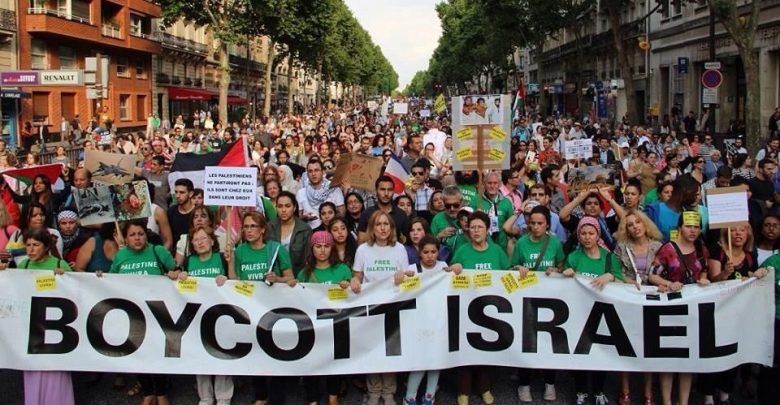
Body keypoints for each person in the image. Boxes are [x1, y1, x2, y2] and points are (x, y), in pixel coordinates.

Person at [102, 220, 176, 405]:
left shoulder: (158, 251)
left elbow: (175, 270)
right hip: (132, 315)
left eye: (141, 234)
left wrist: (175, 273)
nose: (137, 238)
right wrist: (99, 278)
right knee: (136, 353)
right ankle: (148, 391)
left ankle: (161, 393)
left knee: (157, 353)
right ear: (125, 239)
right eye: (132, 235)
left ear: (146, 235)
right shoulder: (121, 256)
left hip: (157, 313)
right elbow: (111, 280)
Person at [0, 228, 75, 405]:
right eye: (28, 245)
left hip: (55, 329)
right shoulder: (23, 266)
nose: (31, 249)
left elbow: (76, 292)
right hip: (32, 330)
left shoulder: (59, 264)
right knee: (33, 370)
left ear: (46, 246)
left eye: (36, 245)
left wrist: (66, 277)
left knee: (56, 371)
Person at [648, 211, 711, 405]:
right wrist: (668, 283)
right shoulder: (668, 249)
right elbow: (652, 275)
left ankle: (684, 401)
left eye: (696, 227)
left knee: (687, 360)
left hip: (693, 310)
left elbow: (704, 271)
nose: (692, 231)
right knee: (669, 358)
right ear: (680, 228)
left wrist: (703, 280)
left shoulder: (702, 250)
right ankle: (667, 401)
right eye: (688, 226)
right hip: (671, 309)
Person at [447, 211, 510, 405]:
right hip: (467, 310)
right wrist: (453, 270)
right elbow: (449, 277)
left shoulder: (497, 251)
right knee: (466, 351)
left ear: (487, 229)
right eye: (472, 227)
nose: (476, 231)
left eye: (480, 227)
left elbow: (508, 274)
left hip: (491, 311)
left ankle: (485, 388)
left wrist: (518, 271)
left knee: (486, 350)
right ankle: (463, 390)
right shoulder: (462, 251)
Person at [562, 216, 623, 405]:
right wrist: (566, 274)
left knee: (600, 353)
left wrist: (610, 277)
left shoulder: (609, 258)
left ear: (598, 235)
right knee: (580, 353)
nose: (587, 237)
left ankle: (598, 391)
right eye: (583, 233)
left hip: (603, 313)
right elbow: (563, 285)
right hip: (579, 313)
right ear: (578, 235)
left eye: (591, 233)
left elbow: (622, 283)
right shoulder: (573, 257)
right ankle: (580, 390)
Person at [350, 210, 409, 405]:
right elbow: (357, 275)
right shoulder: (363, 250)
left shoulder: (399, 249)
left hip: (393, 305)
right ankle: (374, 390)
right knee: (372, 349)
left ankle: (389, 391)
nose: (383, 228)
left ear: (391, 228)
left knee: (390, 348)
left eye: (386, 224)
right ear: (372, 229)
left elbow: (408, 275)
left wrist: (403, 275)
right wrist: (354, 281)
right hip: (371, 306)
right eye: (378, 224)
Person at [510, 205, 563, 403]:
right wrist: (518, 267)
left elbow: (561, 265)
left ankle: (550, 382)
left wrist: (556, 270)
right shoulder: (521, 243)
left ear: (547, 224)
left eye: (540, 223)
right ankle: (524, 383)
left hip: (550, 301)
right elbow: (511, 267)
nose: (536, 227)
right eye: (532, 223)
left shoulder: (555, 243)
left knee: (549, 342)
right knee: (527, 341)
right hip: (527, 300)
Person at [296, 230, 354, 405]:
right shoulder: (304, 274)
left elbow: (355, 292)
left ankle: (333, 396)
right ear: (312, 249)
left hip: (336, 325)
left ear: (332, 248)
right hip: (312, 327)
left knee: (334, 362)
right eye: (318, 246)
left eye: (327, 246)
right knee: (311, 362)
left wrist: (349, 284)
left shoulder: (342, 269)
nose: (322, 250)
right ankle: (312, 398)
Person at [613, 210, 663, 405]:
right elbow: (616, 271)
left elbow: (664, 270)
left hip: (652, 300)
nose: (635, 227)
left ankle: (648, 392)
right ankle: (625, 389)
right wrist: (629, 282)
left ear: (645, 224)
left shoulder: (658, 246)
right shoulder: (621, 247)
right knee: (625, 344)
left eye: (638, 222)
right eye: (630, 224)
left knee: (649, 346)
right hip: (629, 298)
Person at [402, 235, 447, 405]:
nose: (429, 256)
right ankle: (410, 396)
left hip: (439, 321)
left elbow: (456, 278)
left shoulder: (443, 267)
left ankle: (429, 395)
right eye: (426, 252)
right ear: (419, 253)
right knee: (420, 361)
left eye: (433, 252)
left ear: (438, 252)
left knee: (436, 361)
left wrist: (457, 268)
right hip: (419, 323)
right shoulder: (412, 269)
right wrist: (402, 276)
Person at [267, 191, 312, 272]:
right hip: (273, 274)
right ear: (276, 208)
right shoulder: (269, 227)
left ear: (294, 208)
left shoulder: (305, 229)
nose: (283, 210)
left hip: (297, 275)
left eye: (287, 206)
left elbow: (308, 259)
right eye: (280, 206)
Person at [297, 160, 345, 229]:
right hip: (310, 231)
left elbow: (342, 214)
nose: (313, 174)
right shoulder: (301, 193)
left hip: (331, 231)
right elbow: (298, 218)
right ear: (307, 174)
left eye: (316, 170)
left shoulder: (334, 189)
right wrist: (305, 218)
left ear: (323, 172)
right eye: (310, 171)